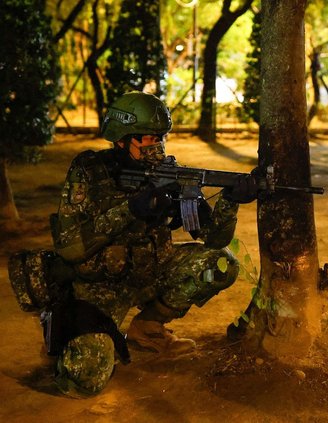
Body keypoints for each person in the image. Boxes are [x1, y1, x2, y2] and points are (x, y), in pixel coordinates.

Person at [47, 91, 257, 395]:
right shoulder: (89, 172)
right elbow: (69, 247)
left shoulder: (168, 173)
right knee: (81, 381)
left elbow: (214, 238)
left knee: (221, 264)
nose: (156, 146)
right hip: (101, 287)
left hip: (150, 274)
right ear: (121, 138)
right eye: (147, 139)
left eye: (161, 137)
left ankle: (148, 328)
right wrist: (131, 209)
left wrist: (231, 200)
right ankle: (70, 329)